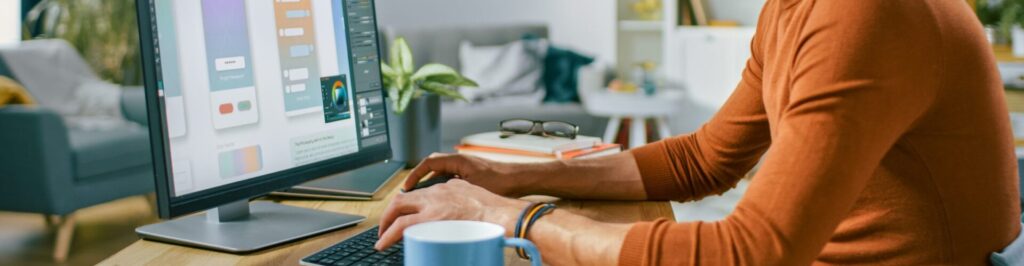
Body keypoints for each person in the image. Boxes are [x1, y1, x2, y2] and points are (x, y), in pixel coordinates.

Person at [375, 0, 1023, 264]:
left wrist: (515, 217)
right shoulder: (794, 11)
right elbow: (705, 159)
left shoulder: (864, 15)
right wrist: (514, 177)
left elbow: (754, 251)